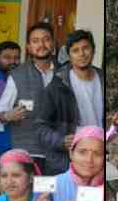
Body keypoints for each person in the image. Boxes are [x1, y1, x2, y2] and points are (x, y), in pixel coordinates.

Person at [35, 30, 104, 176]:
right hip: (66, 163)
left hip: (99, 157)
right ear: (69, 55)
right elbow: (40, 127)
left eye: (85, 48)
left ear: (93, 50)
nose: (82, 54)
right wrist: (61, 140)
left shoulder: (103, 79)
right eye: (75, 50)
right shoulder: (57, 86)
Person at [0, 23, 57, 166]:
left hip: (58, 153)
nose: (41, 44)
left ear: (53, 44)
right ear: (29, 47)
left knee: (55, 189)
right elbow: (0, 111)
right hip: (27, 154)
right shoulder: (17, 75)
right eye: (35, 41)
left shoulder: (65, 72)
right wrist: (7, 116)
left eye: (46, 39)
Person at [0, 41, 21, 167]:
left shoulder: (23, 80)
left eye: (16, 58)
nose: (12, 61)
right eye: (7, 57)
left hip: (19, 140)